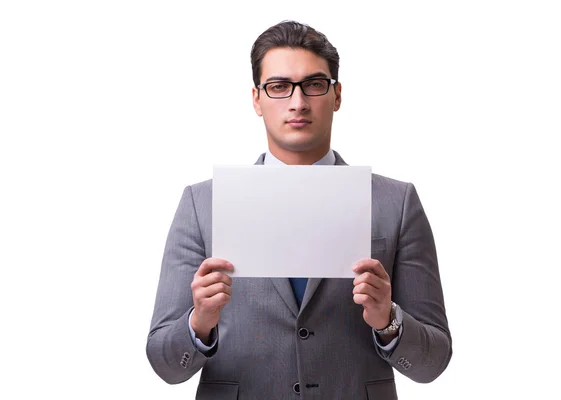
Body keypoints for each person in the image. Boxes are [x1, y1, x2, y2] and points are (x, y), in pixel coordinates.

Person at [147, 20, 452, 399]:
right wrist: (199, 323)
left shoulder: (396, 202)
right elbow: (164, 363)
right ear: (257, 99)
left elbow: (433, 362)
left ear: (337, 95)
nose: (298, 102)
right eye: (278, 87)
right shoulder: (202, 204)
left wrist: (389, 321)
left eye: (314, 84)